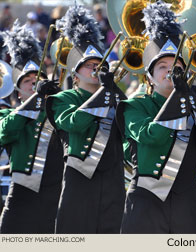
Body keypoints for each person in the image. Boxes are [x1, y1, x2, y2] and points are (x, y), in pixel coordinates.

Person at [118, 1, 196, 234]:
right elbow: (152, 135)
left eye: (177, 65)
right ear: (150, 78)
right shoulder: (135, 105)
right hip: (146, 203)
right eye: (163, 66)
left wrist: (191, 98)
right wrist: (181, 98)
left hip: (187, 205)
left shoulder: (192, 102)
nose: (170, 71)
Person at [46, 4, 126, 234]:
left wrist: (113, 90)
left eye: (99, 65)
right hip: (80, 178)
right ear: (76, 73)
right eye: (89, 65)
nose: (95, 69)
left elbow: (128, 125)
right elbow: (74, 123)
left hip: (113, 180)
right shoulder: (63, 98)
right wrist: (104, 94)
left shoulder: (114, 95)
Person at [0, 20, 63, 234]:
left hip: (54, 193)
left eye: (38, 80)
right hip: (22, 194)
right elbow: (5, 131)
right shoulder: (8, 113)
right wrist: (36, 98)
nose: (34, 83)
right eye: (28, 81)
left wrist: (55, 100)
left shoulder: (57, 111)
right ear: (18, 91)